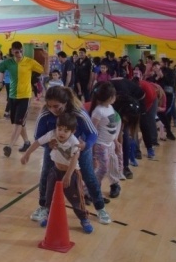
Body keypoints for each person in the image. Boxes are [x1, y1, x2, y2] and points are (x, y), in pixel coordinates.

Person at [31, 86, 111, 225]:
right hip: (55, 149)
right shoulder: (45, 114)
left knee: (88, 176)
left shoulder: (78, 112)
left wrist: (86, 145)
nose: (53, 109)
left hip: (78, 148)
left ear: (66, 102)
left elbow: (93, 133)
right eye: (49, 106)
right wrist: (47, 144)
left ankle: (100, 207)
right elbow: (38, 136)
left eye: (57, 106)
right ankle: (43, 206)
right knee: (46, 175)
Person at [20, 112, 93, 234]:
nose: (61, 133)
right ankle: (49, 216)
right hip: (55, 171)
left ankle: (84, 219)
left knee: (76, 199)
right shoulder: (52, 134)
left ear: (73, 131)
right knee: (50, 196)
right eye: (59, 129)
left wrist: (68, 176)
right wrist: (27, 154)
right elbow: (38, 142)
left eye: (66, 130)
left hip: (72, 173)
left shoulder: (74, 141)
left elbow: (74, 159)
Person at [0, 41, 47, 157]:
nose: (19, 52)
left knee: (18, 123)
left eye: (20, 50)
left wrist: (47, 59)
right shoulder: (8, 62)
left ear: (23, 50)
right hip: (12, 96)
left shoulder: (29, 62)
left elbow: (45, 71)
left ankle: (10, 146)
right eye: (16, 51)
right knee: (20, 123)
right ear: (12, 51)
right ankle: (26, 142)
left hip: (25, 97)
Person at [90, 82, 123, 199]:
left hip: (110, 144)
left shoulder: (110, 107)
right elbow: (92, 131)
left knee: (113, 163)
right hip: (101, 144)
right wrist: (93, 154)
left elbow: (112, 127)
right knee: (101, 169)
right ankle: (92, 190)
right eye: (114, 96)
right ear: (110, 97)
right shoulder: (98, 111)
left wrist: (116, 141)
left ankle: (112, 185)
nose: (115, 98)